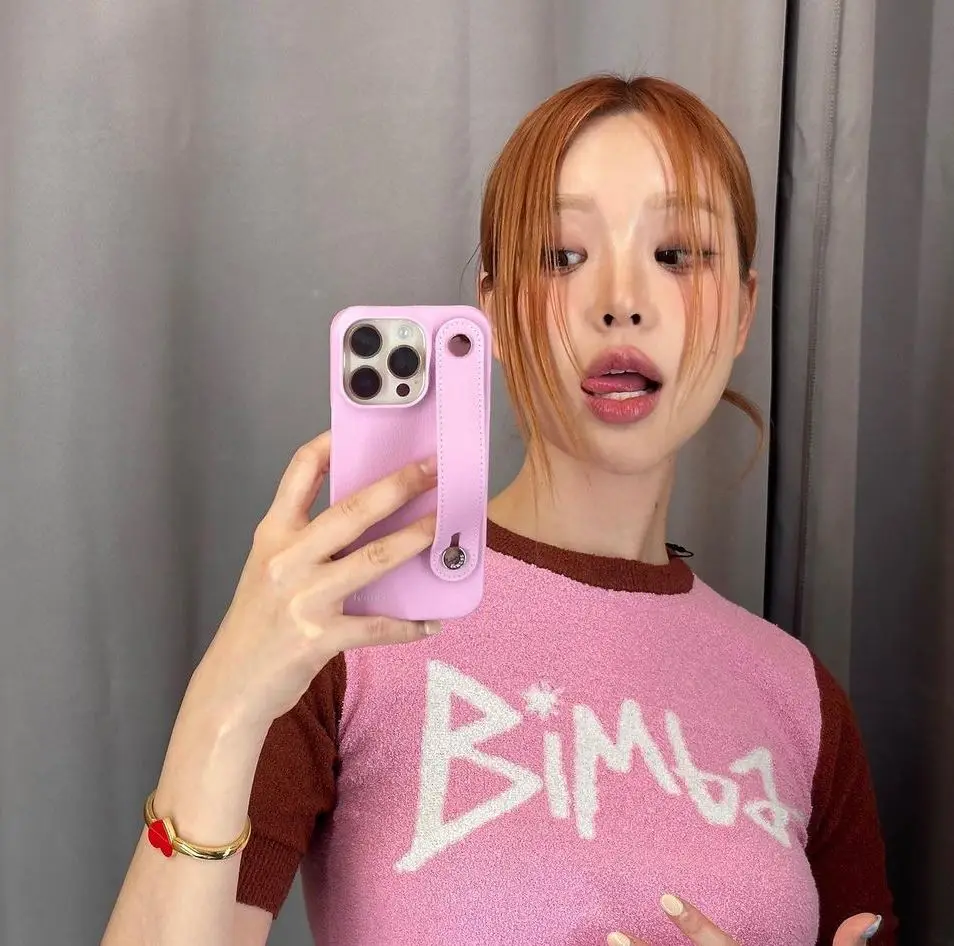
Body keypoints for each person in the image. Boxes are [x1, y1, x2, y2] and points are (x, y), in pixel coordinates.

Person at [101, 74, 896, 946]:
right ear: (493, 307)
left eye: (677, 254)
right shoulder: (354, 626)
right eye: (561, 255)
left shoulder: (799, 698)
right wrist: (226, 700)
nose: (621, 299)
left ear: (744, 309)